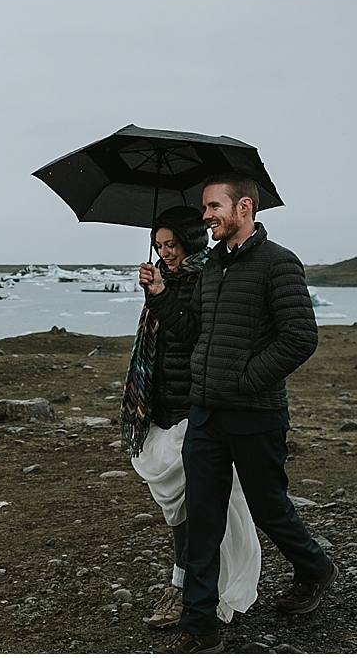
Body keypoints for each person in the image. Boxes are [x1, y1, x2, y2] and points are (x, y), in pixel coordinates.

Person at [140, 173, 337, 654]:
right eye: (205, 208)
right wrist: (161, 295)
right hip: (206, 415)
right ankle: (200, 622)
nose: (204, 216)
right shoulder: (210, 269)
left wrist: (246, 381)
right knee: (204, 517)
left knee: (270, 508)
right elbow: (190, 333)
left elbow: (300, 337)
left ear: (243, 207)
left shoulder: (278, 263)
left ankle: (314, 568)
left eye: (212, 207)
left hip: (255, 414)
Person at [120, 207, 260, 634]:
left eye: (172, 244)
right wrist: (157, 292)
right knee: (177, 507)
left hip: (193, 410)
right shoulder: (167, 280)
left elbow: (192, 333)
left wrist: (161, 293)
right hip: (160, 409)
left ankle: (185, 588)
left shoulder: (206, 277)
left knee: (192, 507)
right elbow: (157, 344)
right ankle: (191, 583)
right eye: (159, 246)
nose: (165, 252)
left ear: (190, 241)